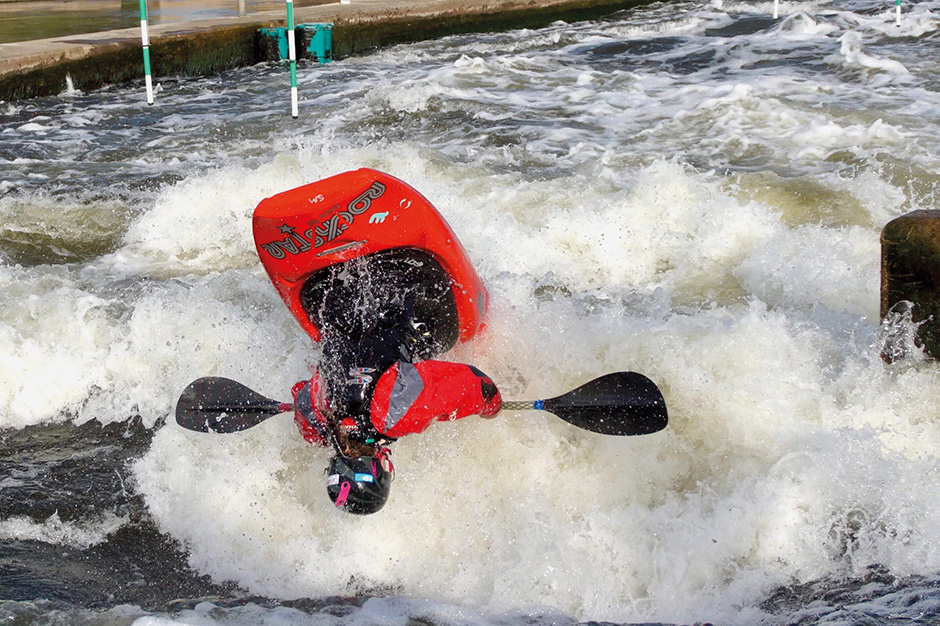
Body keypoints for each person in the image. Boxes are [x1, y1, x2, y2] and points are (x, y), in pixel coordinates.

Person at [288, 248, 503, 515]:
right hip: (327, 289)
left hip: (401, 274)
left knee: (444, 339)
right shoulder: (317, 419)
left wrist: (491, 405)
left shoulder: (393, 415)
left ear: (378, 468)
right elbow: (300, 396)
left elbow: (475, 384)